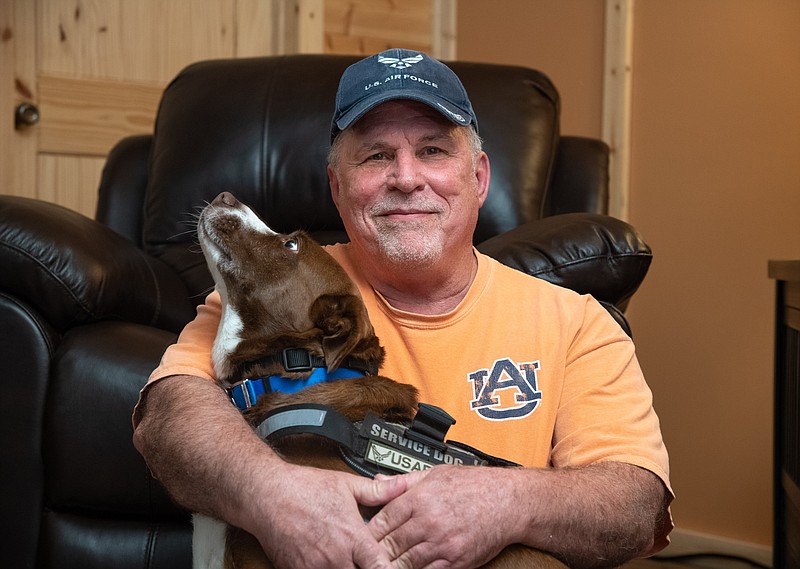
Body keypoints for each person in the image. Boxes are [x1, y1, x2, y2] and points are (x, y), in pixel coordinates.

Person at [133, 48, 673, 569]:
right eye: (376, 155)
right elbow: (169, 417)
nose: (407, 177)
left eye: (434, 150)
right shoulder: (279, 284)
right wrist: (277, 496)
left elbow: (633, 506)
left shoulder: (576, 322)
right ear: (337, 188)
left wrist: (502, 503)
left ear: (479, 178)